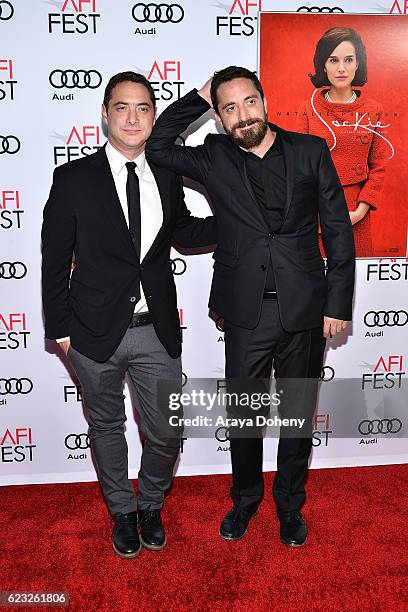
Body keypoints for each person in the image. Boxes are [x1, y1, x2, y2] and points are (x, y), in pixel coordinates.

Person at [146, 65, 355, 547]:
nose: (242, 116)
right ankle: (244, 500)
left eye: (249, 102)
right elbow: (158, 146)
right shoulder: (214, 156)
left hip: (306, 307)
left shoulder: (309, 150)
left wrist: (338, 301)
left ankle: (289, 506)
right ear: (218, 117)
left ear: (265, 101)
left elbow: (338, 229)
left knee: (298, 415)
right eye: (229, 108)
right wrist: (198, 97)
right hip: (245, 312)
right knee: (244, 418)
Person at [41, 71, 216, 559]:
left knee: (165, 431)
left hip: (156, 330)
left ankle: (152, 503)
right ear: (105, 113)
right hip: (92, 331)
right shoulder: (73, 178)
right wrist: (61, 333)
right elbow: (54, 260)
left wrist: (238, 222)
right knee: (105, 427)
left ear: (154, 116)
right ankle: (122, 510)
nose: (133, 117)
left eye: (143, 108)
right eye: (122, 107)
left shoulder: (165, 170)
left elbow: (183, 231)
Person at [296, 27, 391, 258]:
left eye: (349, 59)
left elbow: (379, 166)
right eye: (333, 60)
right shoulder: (308, 109)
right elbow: (298, 169)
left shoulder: (374, 110)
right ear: (323, 64)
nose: (341, 68)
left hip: (356, 211)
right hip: (316, 213)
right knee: (315, 286)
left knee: (355, 287)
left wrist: (359, 212)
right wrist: (315, 217)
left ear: (358, 63)